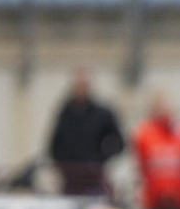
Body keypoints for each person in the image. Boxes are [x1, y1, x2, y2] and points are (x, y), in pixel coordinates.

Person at [47, 68, 124, 197]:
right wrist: (64, 164)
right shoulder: (65, 113)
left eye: (84, 85)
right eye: (78, 85)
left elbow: (119, 142)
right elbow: (54, 145)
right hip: (70, 181)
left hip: (94, 180)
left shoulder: (102, 113)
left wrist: (101, 158)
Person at [132, 91, 180, 209]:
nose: (164, 110)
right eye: (159, 106)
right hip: (154, 201)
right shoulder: (144, 133)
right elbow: (140, 166)